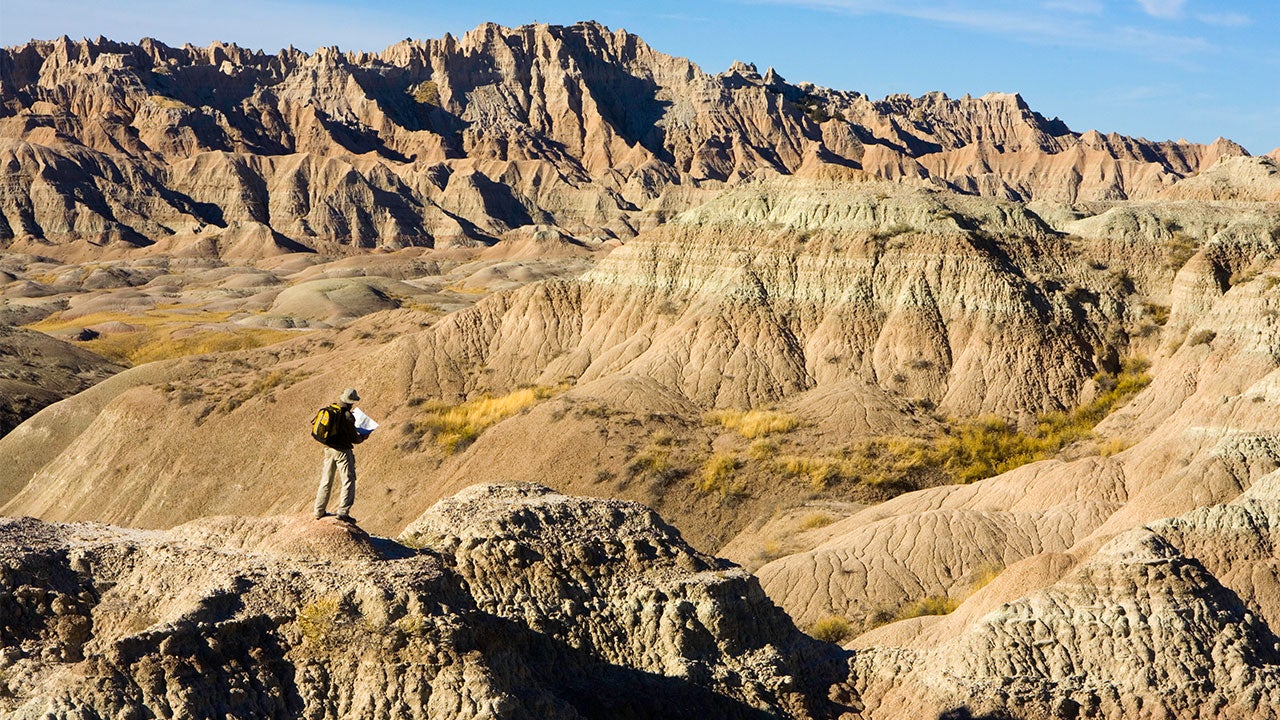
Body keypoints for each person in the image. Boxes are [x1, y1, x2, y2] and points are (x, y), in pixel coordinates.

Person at [313, 388, 366, 523]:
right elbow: (355, 439)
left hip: (328, 449)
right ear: (351, 402)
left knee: (326, 479)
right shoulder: (348, 416)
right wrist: (364, 436)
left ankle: (319, 510)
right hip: (342, 451)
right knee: (348, 480)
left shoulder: (332, 409)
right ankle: (343, 512)